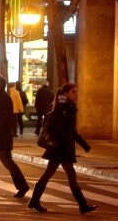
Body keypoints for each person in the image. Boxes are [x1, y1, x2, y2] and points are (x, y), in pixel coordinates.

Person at [28, 83, 98, 214]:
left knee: (51, 174)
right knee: (69, 175)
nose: (76, 94)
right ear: (65, 94)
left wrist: (83, 144)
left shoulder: (66, 106)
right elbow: (67, 130)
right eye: (73, 92)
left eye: (76, 91)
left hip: (60, 147)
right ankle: (82, 205)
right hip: (61, 147)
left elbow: (70, 130)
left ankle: (34, 200)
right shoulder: (65, 108)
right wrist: (83, 144)